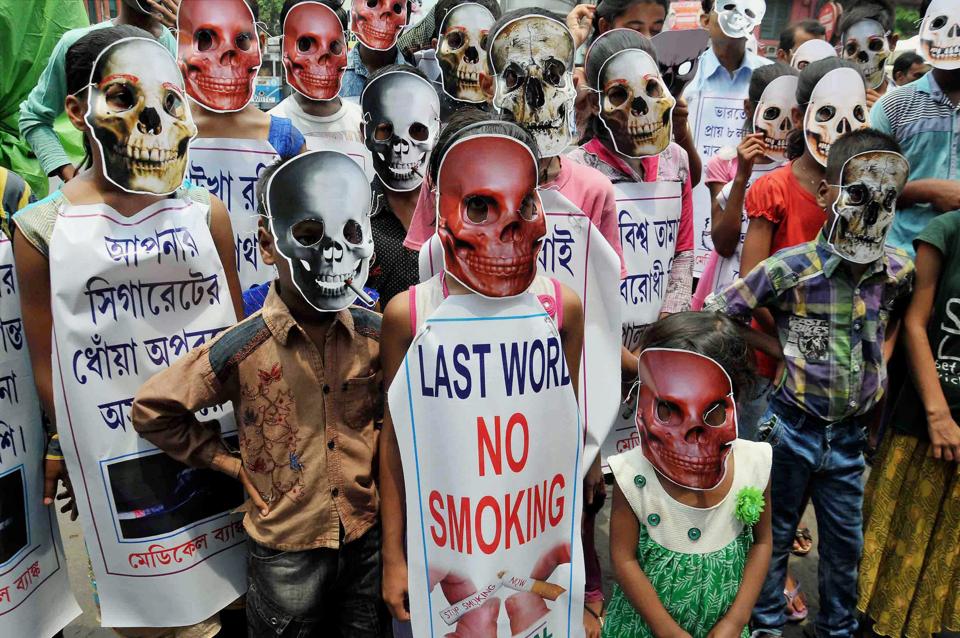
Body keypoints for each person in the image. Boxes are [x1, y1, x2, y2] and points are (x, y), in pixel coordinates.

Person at [13, 25, 243, 637]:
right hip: (123, 474)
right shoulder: (40, 232)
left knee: (235, 604)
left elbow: (241, 339)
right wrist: (69, 451)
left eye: (171, 103)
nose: (156, 122)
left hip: (219, 461)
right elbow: (49, 372)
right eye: (123, 98)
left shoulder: (205, 214)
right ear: (76, 110)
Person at [132, 150, 388, 636]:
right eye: (309, 236)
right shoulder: (242, 348)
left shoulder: (377, 338)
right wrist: (226, 463)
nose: (332, 254)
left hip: (363, 541)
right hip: (284, 552)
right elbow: (154, 409)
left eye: (351, 234)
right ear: (269, 245)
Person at [379, 111, 586, 637]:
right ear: (440, 204)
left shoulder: (563, 309)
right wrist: (394, 556)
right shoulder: (410, 316)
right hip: (444, 556)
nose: (508, 229)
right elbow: (395, 443)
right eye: (479, 207)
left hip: (530, 548)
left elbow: (567, 432)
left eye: (525, 205)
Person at [707, 128, 915, 637]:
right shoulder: (792, 270)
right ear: (828, 194)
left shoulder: (895, 270)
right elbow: (722, 312)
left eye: (887, 199)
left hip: (848, 436)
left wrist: (876, 372)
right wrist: (781, 349)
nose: (872, 211)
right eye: (860, 195)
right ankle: (766, 626)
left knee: (846, 545)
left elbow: (889, 319)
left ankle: (837, 627)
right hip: (792, 426)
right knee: (773, 536)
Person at [602, 311, 773, 638]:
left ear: (733, 399)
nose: (690, 435)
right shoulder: (633, 475)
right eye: (669, 408)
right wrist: (665, 629)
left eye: (711, 411)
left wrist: (735, 621)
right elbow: (623, 559)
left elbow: (762, 542)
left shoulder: (755, 464)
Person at [736, 57, 868, 433]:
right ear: (799, 118)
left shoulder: (862, 193)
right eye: (828, 112)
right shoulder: (774, 189)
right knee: (763, 471)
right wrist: (791, 345)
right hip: (772, 364)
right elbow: (751, 281)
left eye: (855, 113)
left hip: (836, 369)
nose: (843, 128)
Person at [858, 207, 960, 638]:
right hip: (925, 419)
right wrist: (938, 413)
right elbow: (915, 324)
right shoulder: (948, 231)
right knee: (890, 549)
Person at [178, 0, 306, 293]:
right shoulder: (165, 139)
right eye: (205, 39)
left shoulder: (285, 140)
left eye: (240, 39)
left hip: (267, 309)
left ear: (259, 43)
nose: (225, 56)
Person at [18, 0, 178, 184]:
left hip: (166, 189)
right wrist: (70, 176)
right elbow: (34, 117)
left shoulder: (184, 46)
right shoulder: (81, 44)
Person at [693, 62, 799, 312]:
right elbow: (724, 244)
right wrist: (741, 177)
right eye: (773, 113)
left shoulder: (799, 170)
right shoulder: (725, 163)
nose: (783, 126)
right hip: (722, 288)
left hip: (773, 296)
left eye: (792, 114)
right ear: (750, 109)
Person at [870, 0, 960, 257]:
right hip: (902, 261)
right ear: (925, 29)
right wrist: (927, 190)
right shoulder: (892, 106)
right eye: (941, 23)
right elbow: (866, 190)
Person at [362, 65, 441, 310]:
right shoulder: (355, 219)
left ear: (435, 132)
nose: (400, 147)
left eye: (417, 130)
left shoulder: (455, 211)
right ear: (365, 133)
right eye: (385, 131)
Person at [269, 0, 364, 146]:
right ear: (284, 48)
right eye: (305, 44)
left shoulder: (363, 124)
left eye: (334, 45)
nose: (322, 58)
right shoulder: (267, 130)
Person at [341, 0, 412, 98]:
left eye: (396, 8)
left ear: (407, 18)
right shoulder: (334, 77)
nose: (384, 17)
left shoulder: (416, 83)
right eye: (372, 3)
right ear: (353, 8)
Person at [837, 0, 897, 98]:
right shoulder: (832, 99)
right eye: (851, 49)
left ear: (892, 43)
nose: (863, 59)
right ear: (842, 51)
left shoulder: (907, 104)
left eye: (875, 45)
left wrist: (882, 112)